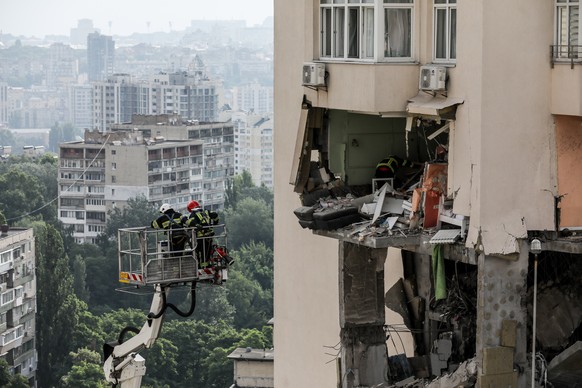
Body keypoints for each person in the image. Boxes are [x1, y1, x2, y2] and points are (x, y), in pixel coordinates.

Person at [182, 200, 222, 265]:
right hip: (209, 236)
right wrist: (215, 223)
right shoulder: (206, 211)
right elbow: (215, 215)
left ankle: (203, 266)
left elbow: (190, 223)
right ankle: (206, 264)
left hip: (200, 238)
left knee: (200, 253)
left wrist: (184, 220)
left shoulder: (193, 214)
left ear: (190, 209)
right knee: (206, 254)